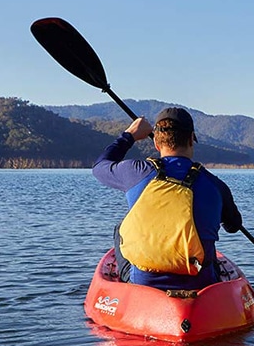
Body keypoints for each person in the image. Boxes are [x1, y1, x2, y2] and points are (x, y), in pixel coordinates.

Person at [93, 106, 242, 290]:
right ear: (191, 139)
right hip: (201, 284)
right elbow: (233, 226)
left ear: (156, 143)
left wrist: (129, 135)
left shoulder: (136, 172)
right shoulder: (216, 185)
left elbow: (100, 167)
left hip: (144, 283)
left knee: (120, 227)